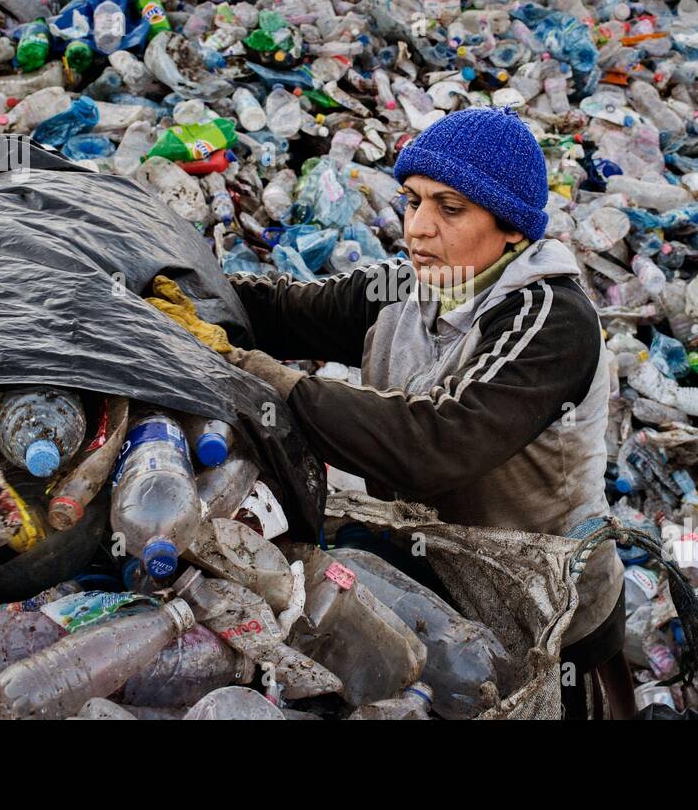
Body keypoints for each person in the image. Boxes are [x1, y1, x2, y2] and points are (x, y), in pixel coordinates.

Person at [223, 106, 631, 719]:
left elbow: (435, 447)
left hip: (547, 608)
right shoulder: (407, 291)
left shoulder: (551, 317)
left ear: (512, 228)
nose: (418, 229)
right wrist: (175, 292)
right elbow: (281, 311)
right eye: (413, 202)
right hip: (434, 576)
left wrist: (265, 379)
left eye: (450, 208)